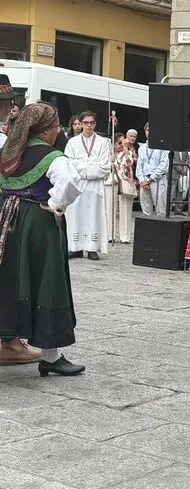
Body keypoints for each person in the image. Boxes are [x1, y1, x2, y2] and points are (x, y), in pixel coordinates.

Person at [0, 103, 85, 376]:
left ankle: (8, 340)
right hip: (38, 224)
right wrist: (55, 206)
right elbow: (70, 185)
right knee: (48, 282)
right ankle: (50, 356)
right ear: (47, 130)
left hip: (5, 222)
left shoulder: (9, 152)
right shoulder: (53, 157)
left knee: (10, 277)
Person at [0, 76, 43, 365]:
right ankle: (10, 342)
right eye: (8, 101)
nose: (11, 106)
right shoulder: (3, 140)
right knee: (8, 276)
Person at [64, 111, 110, 261]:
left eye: (92, 123)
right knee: (75, 214)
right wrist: (90, 168)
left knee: (93, 215)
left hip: (95, 186)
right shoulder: (72, 142)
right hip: (78, 185)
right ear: (81, 124)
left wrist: (84, 169)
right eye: (86, 123)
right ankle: (75, 247)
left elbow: (104, 166)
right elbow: (70, 164)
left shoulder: (103, 142)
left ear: (95, 124)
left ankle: (92, 248)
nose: (89, 125)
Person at [136, 123, 170, 217]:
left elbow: (163, 165)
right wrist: (142, 180)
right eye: (147, 130)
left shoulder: (163, 146)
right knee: (146, 210)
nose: (149, 133)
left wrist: (150, 179)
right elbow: (139, 166)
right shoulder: (142, 148)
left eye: (152, 130)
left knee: (160, 209)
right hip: (144, 181)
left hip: (157, 180)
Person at [112, 133, 136, 243]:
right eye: (119, 143)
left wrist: (126, 149)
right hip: (113, 181)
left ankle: (125, 236)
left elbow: (129, 163)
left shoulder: (127, 152)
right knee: (110, 209)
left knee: (125, 209)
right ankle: (110, 235)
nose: (121, 145)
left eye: (123, 142)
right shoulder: (111, 154)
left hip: (125, 182)